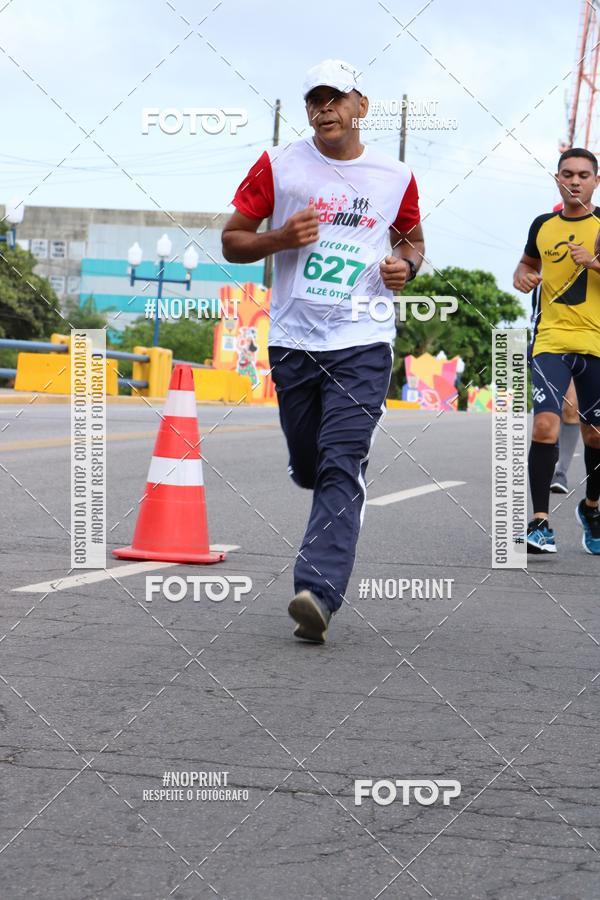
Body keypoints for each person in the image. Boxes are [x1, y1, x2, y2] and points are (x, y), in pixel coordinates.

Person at [222, 59, 424, 641]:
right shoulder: (280, 165)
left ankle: (317, 592)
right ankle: (306, 462)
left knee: (342, 462)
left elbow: (411, 242)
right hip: (293, 340)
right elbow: (233, 240)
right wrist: (279, 238)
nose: (324, 109)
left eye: (336, 98)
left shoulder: (395, 174)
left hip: (363, 338)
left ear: (361, 105)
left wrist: (402, 267)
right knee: (312, 463)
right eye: (315, 99)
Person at [513, 147, 600, 554]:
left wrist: (595, 264)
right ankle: (540, 523)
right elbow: (525, 265)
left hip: (596, 344)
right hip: (550, 341)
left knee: (594, 435)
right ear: (558, 179)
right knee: (545, 425)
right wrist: (525, 277)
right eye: (568, 174)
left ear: (596, 181)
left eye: (584, 174)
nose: (576, 181)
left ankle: (592, 507)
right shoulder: (543, 225)